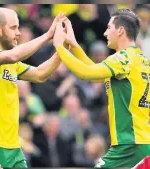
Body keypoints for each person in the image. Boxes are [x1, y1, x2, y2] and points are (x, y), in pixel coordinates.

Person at [52, 8, 150, 168]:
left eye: (109, 28)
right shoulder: (140, 60)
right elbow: (97, 74)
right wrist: (74, 45)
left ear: (120, 30)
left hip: (129, 145)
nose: (105, 33)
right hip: (140, 142)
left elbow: (86, 73)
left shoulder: (122, 59)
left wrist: (60, 47)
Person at [0, 7, 65, 168]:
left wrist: (62, 48)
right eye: (13, 27)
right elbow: (13, 55)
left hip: (13, 146)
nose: (18, 33)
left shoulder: (11, 64)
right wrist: (48, 36)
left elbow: (40, 74)